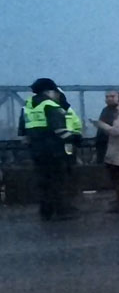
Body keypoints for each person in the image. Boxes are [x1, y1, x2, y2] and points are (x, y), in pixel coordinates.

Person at [17, 78, 78, 221]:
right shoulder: (50, 105)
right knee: (58, 181)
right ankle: (62, 211)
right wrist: (75, 138)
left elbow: (22, 132)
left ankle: (46, 211)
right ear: (49, 91)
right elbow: (60, 130)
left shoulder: (27, 106)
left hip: (37, 151)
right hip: (54, 150)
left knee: (43, 182)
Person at [95, 90, 119, 164]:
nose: (109, 99)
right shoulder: (105, 110)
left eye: (112, 96)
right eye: (107, 97)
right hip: (102, 144)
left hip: (115, 145)